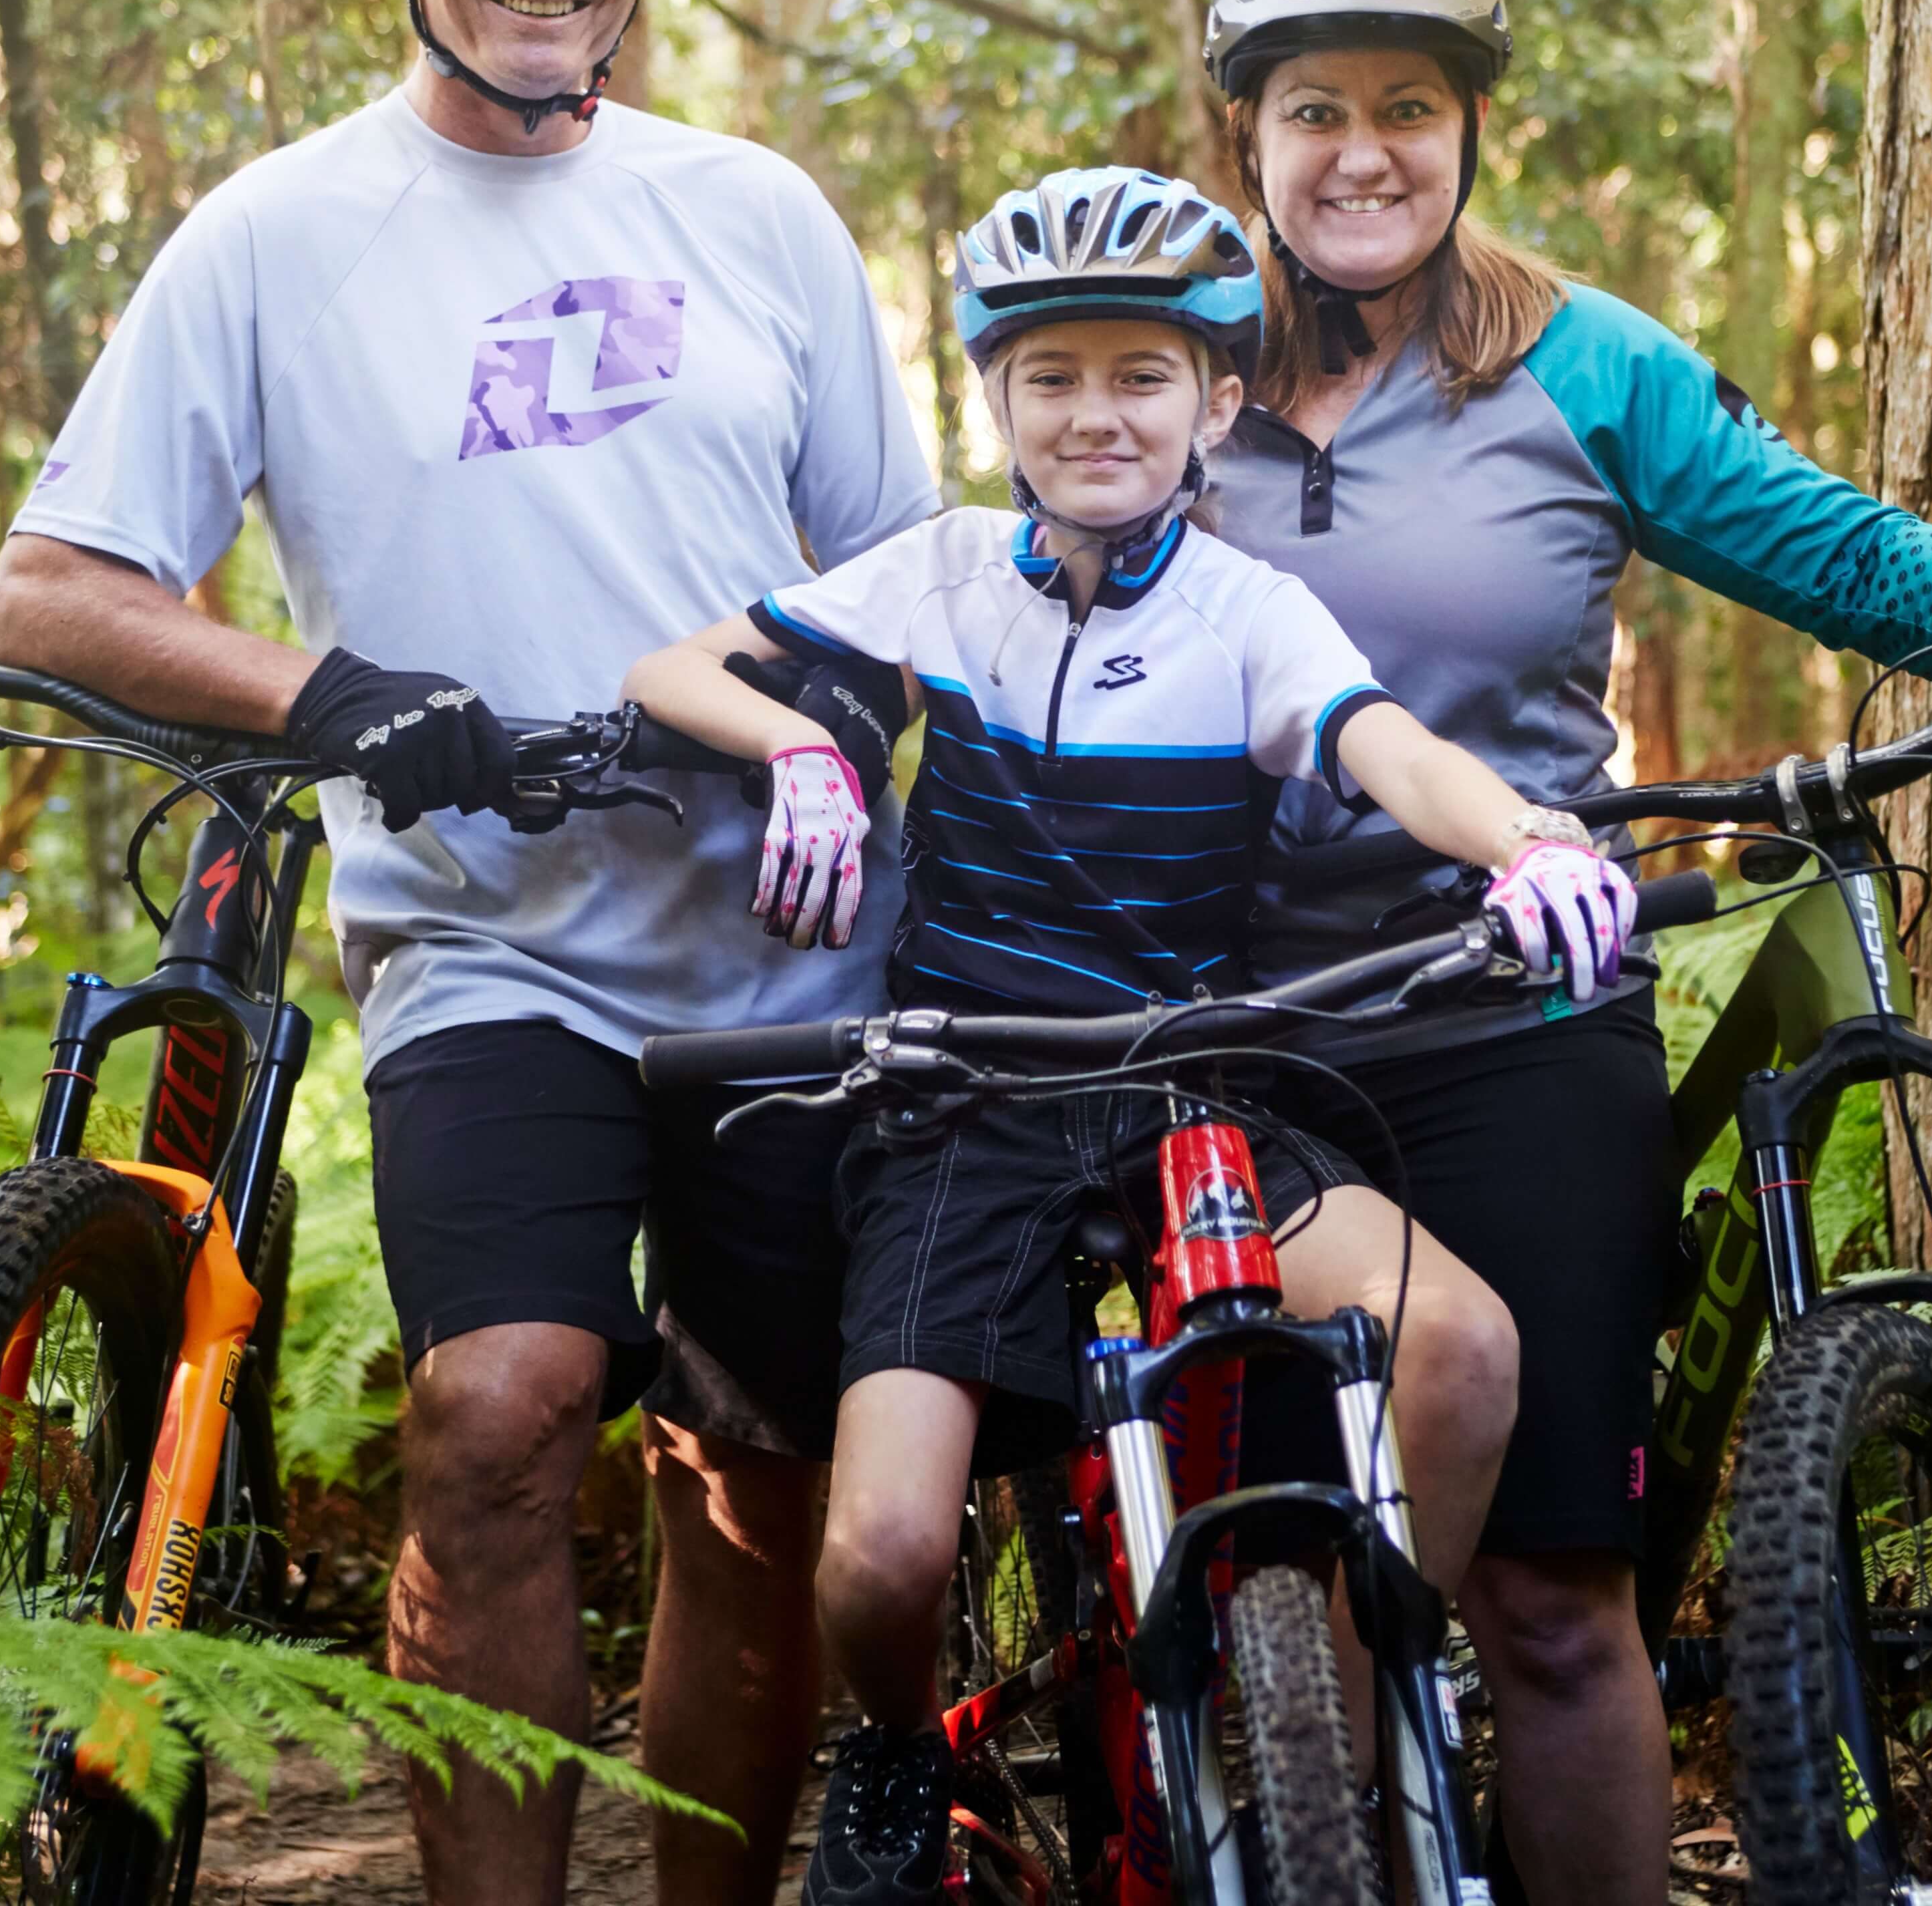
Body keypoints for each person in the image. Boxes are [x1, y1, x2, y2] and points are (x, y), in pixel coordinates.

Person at [1192, 0, 1932, 1906]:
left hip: (1524, 1014)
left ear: (1467, 135)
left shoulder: (1579, 363)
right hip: (1243, 1037)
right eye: (1315, 108)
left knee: (1555, 1600)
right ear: (1243, 134)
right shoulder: (1173, 366)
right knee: (1307, 1577)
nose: (1363, 152)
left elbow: (1836, 552)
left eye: (1408, 110)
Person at [0, 0, 935, 1906]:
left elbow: (901, 577)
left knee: (753, 1483)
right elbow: (54, 587)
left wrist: (832, 718)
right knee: (493, 1417)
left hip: (788, 952)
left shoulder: (757, 213)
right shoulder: (281, 234)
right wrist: (343, 694)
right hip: (488, 941)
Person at [622, 167, 1645, 1906]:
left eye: (1142, 376)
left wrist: (1531, 837)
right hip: (970, 1097)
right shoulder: (944, 573)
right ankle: (905, 1758)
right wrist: (803, 747)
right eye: (1052, 377)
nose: (1096, 414)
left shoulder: (1249, 613)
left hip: (1197, 1088)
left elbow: (1392, 750)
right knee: (872, 1562)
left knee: (1459, 1353)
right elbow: (676, 669)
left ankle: (1337, 1698)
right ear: (997, 400)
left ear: (1217, 403)